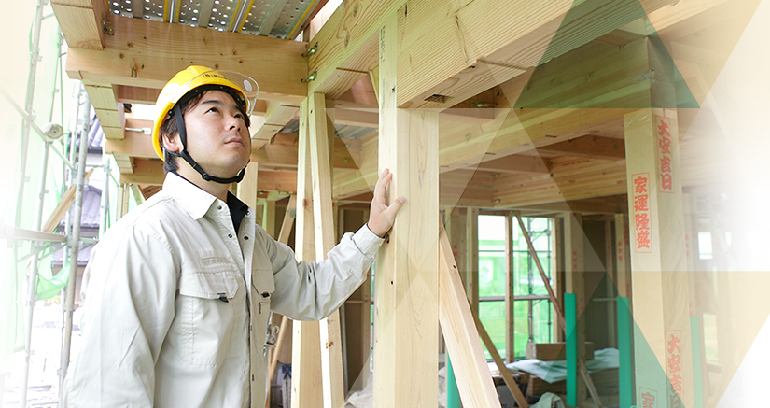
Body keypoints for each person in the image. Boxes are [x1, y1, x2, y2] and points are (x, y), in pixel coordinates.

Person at [62, 65, 404, 407]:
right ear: (172, 137)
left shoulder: (248, 238)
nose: (235, 122)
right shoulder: (146, 237)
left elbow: (311, 292)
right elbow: (108, 391)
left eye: (240, 115)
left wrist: (372, 232)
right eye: (214, 110)